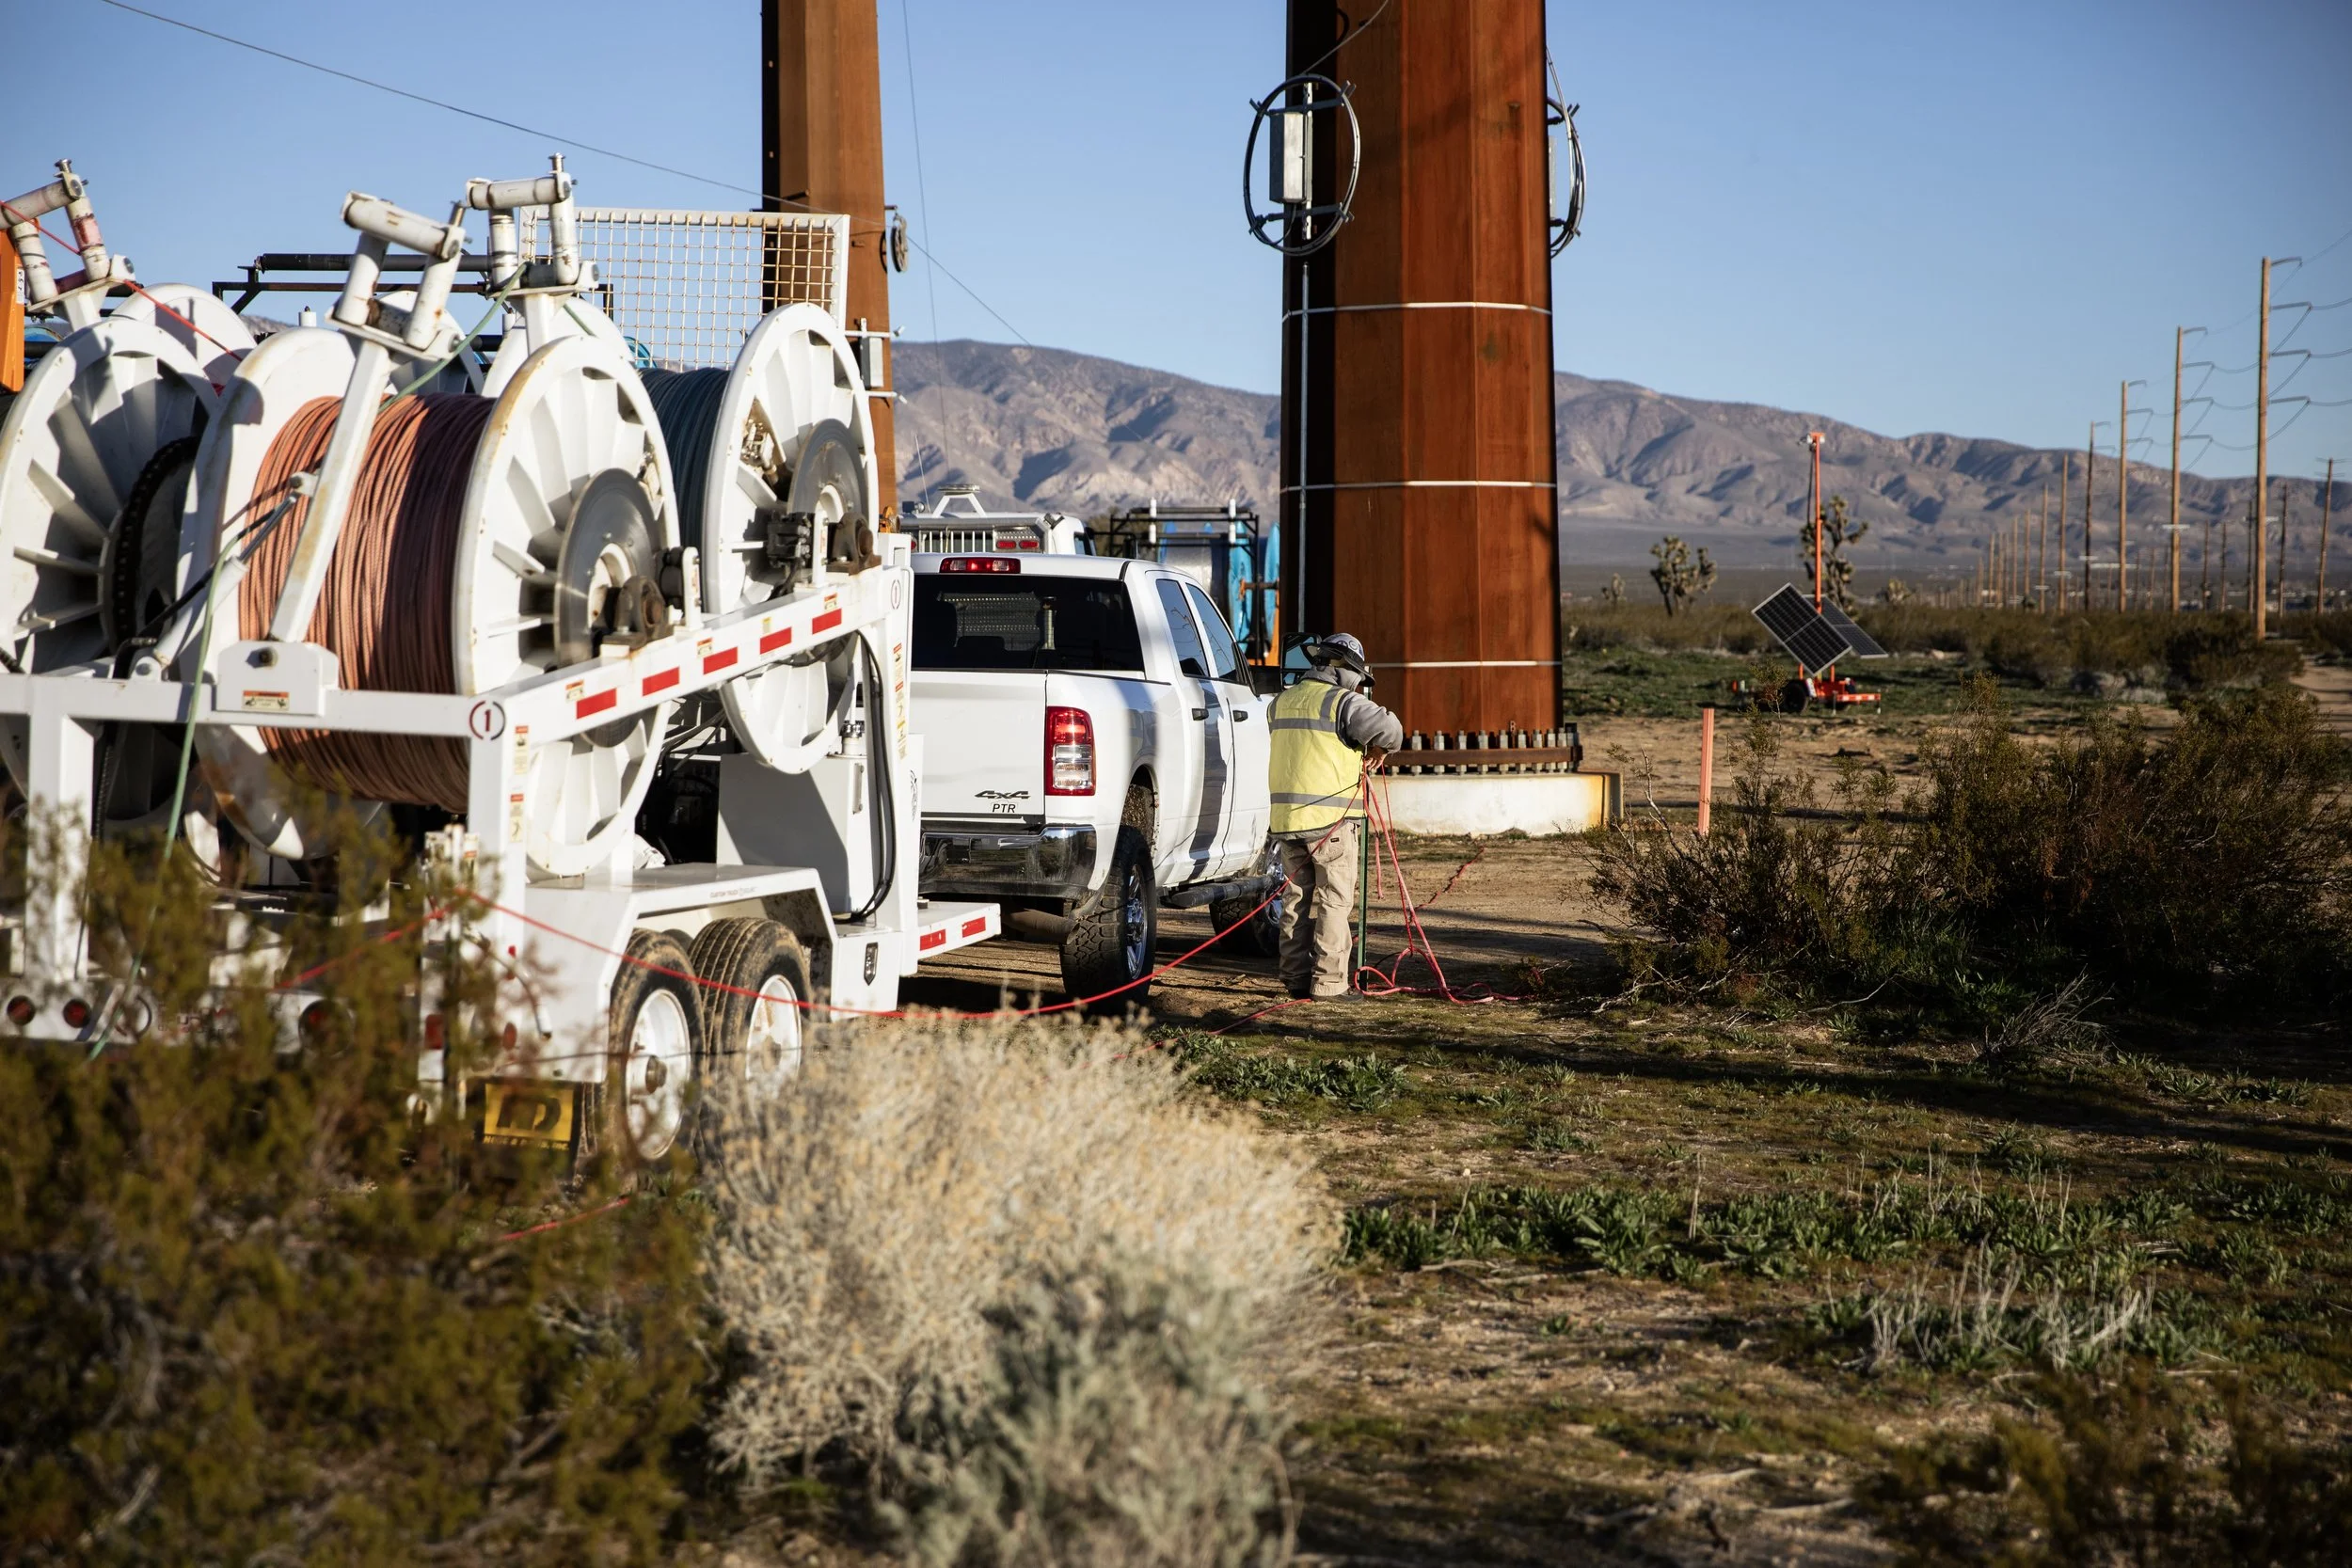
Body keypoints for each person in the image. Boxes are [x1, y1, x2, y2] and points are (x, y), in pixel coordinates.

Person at [1266, 632, 1404, 1000]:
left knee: (1295, 903)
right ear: (1341, 668)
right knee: (1334, 902)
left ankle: (1294, 979)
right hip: (1331, 824)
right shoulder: (1343, 704)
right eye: (1357, 675)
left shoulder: (1281, 703)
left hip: (1287, 822)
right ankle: (1328, 984)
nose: (1359, 684)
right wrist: (1379, 747)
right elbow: (1393, 730)